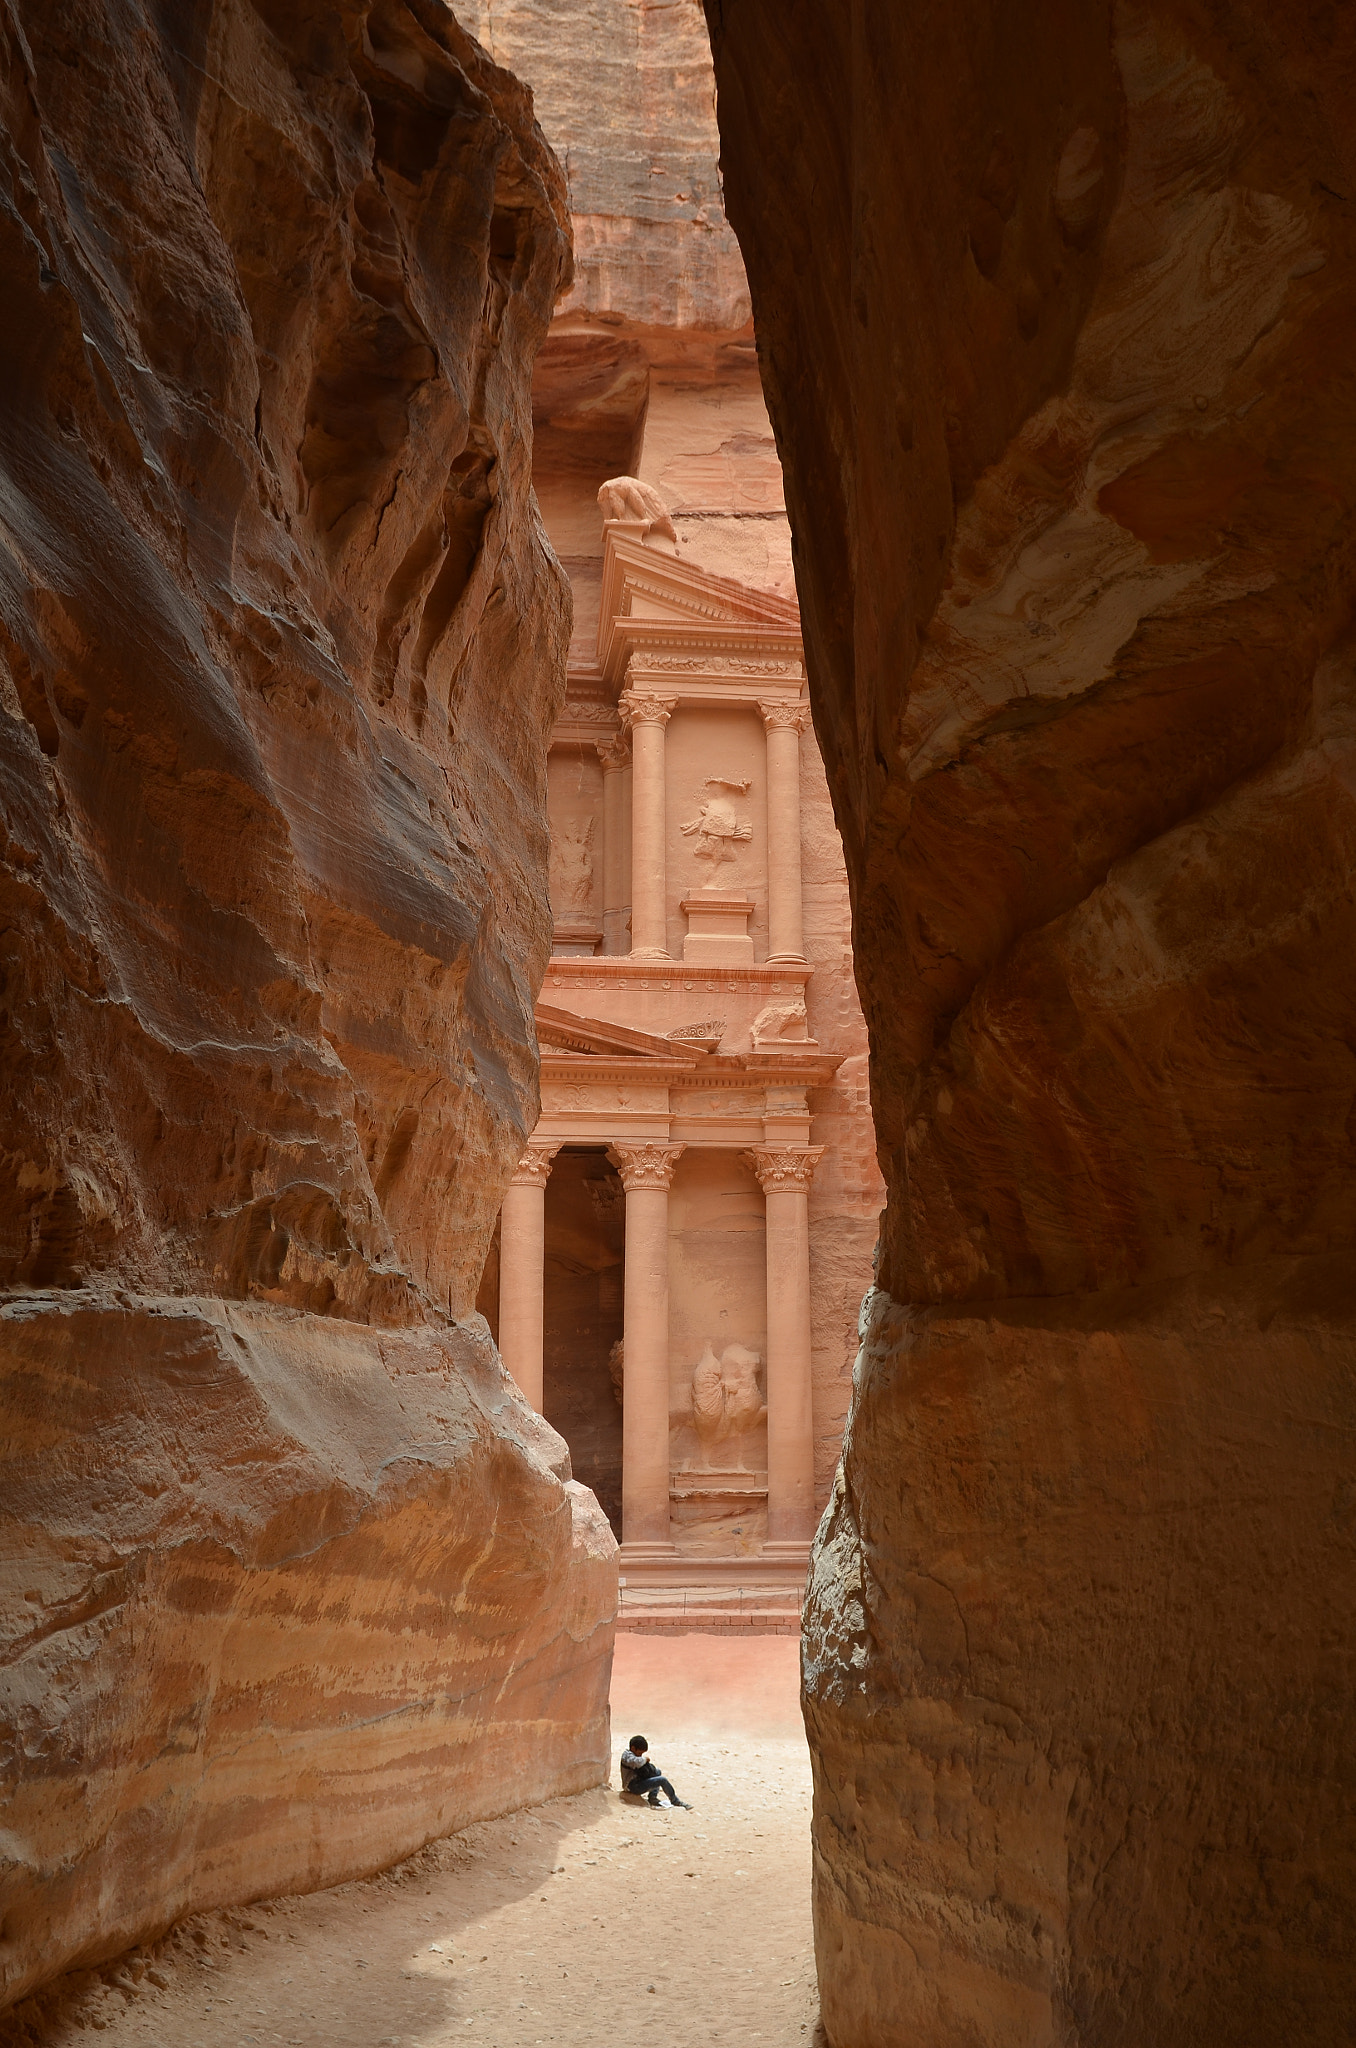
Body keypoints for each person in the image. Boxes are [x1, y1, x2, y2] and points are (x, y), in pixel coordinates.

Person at [619, 1734, 691, 1808]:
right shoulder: (626, 1756)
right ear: (633, 1748)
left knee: (657, 1772)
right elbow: (636, 1762)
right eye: (640, 1753)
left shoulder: (632, 1755)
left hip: (637, 1781)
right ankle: (675, 1801)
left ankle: (652, 1798)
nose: (640, 1755)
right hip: (632, 1786)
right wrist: (645, 1759)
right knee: (662, 1780)